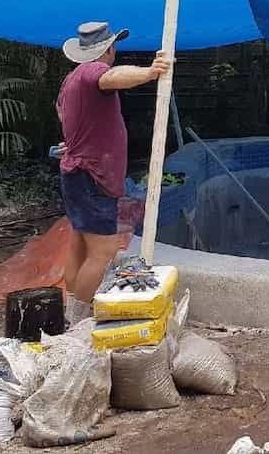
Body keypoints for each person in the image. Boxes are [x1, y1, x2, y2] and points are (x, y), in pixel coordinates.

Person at [56, 21, 171, 318]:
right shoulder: (93, 72)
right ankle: (78, 319)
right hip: (92, 176)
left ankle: (69, 310)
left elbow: (63, 112)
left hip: (78, 173)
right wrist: (150, 72)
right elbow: (111, 78)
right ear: (108, 49)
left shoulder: (71, 80)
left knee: (79, 245)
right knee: (103, 251)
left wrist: (75, 140)